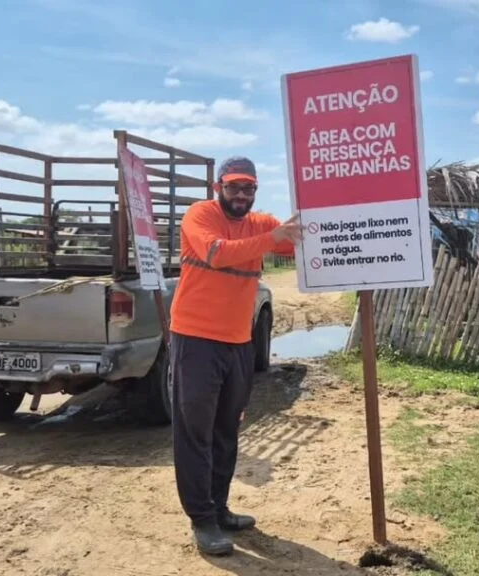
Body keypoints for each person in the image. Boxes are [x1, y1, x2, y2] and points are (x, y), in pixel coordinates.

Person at [168, 156, 302, 556]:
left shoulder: (259, 223)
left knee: (227, 430)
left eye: (249, 188)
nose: (242, 195)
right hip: (195, 340)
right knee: (196, 433)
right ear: (218, 188)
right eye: (234, 187)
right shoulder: (200, 215)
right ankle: (202, 520)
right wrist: (274, 236)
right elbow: (216, 253)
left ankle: (219, 508)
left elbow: (294, 243)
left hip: (238, 342)